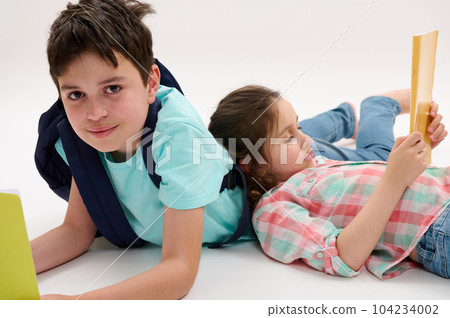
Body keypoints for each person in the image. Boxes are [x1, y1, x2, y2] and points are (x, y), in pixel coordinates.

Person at [31, 0, 256, 300]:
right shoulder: (80, 136)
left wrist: (79, 304)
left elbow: (179, 271)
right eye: (76, 94)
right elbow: (76, 232)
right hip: (214, 153)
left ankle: (343, 115)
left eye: (112, 88)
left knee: (309, 151)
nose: (95, 112)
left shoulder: (179, 141)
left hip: (259, 189)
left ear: (151, 83)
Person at [208, 85, 449, 279]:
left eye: (299, 126)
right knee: (378, 152)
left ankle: (367, 110)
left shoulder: (316, 163)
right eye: (289, 137)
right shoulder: (273, 209)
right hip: (438, 226)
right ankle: (375, 108)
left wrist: (419, 153)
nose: (307, 139)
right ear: (253, 165)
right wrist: (394, 179)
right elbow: (341, 258)